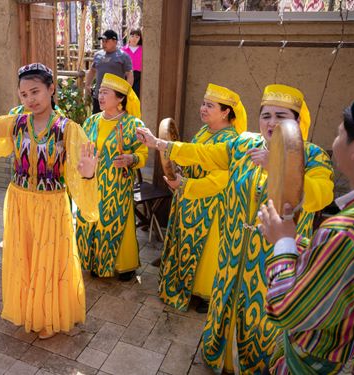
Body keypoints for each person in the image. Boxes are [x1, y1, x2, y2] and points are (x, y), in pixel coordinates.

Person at [137, 84, 334, 373]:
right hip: (232, 250)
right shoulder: (244, 145)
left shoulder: (312, 156)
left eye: (281, 116)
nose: (272, 123)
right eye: (266, 115)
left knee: (263, 319)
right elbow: (204, 154)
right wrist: (160, 144)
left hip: (273, 260)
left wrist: (278, 166)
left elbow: (323, 193)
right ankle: (221, 359)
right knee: (225, 302)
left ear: (297, 122)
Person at [0, 63, 98, 339]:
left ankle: (46, 316)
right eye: (24, 94)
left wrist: (88, 175)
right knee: (25, 258)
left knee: (49, 260)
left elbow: (82, 173)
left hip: (52, 205)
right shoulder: (15, 123)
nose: (30, 99)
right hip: (19, 201)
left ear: (51, 89)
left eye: (36, 91)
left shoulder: (68, 129)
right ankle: (29, 310)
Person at [259, 87, 354, 374]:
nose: (271, 123)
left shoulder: (345, 232)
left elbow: (287, 310)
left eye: (338, 134)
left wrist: (283, 241)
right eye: (266, 115)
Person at [158, 84, 246, 313]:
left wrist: (186, 184)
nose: (203, 109)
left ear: (226, 112)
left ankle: (206, 295)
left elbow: (221, 179)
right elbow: (191, 155)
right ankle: (186, 288)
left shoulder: (230, 140)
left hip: (211, 205)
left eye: (210, 105)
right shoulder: (205, 131)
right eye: (203, 104)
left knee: (207, 252)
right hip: (190, 199)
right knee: (185, 245)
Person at [76, 73, 147, 281]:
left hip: (117, 185)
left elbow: (143, 154)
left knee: (116, 222)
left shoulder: (134, 124)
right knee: (90, 220)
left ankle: (123, 265)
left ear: (120, 99)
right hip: (92, 183)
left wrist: (131, 158)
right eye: (99, 90)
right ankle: (94, 262)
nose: (100, 95)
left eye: (106, 92)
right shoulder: (91, 121)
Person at [84, 30, 133, 113]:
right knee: (98, 121)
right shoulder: (98, 55)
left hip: (116, 97)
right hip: (99, 96)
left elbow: (129, 74)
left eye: (106, 41)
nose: (103, 43)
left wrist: (126, 91)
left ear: (115, 42)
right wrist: (87, 84)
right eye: (102, 41)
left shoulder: (123, 56)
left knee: (115, 122)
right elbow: (92, 70)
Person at [121, 29, 143, 97]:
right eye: (132, 36)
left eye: (137, 37)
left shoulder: (143, 50)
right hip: (126, 76)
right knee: (125, 97)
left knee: (136, 97)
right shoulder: (123, 50)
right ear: (129, 36)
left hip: (139, 77)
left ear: (140, 38)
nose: (134, 38)